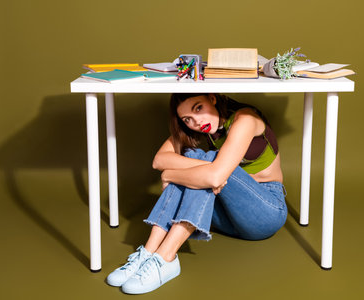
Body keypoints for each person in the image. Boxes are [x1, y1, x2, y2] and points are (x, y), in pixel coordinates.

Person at [106, 93, 288, 294]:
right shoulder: (204, 127)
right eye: (187, 119)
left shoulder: (245, 119)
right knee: (197, 162)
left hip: (266, 211)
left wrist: (171, 174)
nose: (196, 122)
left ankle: (166, 258)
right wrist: (200, 172)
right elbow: (159, 160)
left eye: (198, 108)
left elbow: (215, 177)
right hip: (229, 217)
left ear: (212, 98)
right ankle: (149, 253)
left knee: (208, 163)